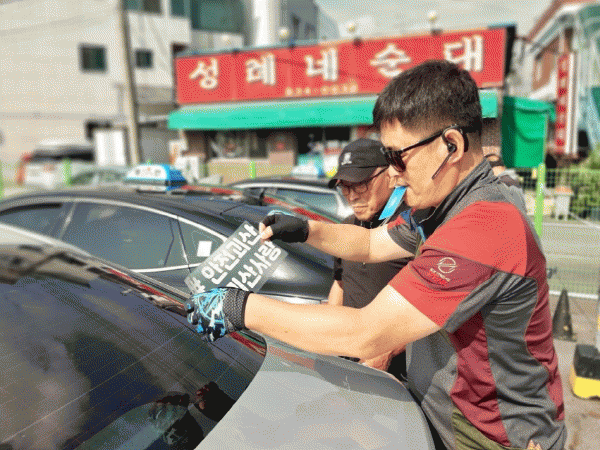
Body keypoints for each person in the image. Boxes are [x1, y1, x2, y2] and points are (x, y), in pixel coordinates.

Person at [184, 60, 567, 450]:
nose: (394, 174)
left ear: (451, 145)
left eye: (399, 157)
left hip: (494, 437)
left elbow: (365, 333)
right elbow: (370, 244)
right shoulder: (443, 208)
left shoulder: (484, 228)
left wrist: (239, 307)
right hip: (450, 417)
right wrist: (305, 229)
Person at [327, 138, 414, 376]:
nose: (352, 196)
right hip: (350, 364)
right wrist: (329, 344)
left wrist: (387, 351)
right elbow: (340, 285)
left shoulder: (412, 227)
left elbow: (436, 306)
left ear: (389, 175)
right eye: (344, 187)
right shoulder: (346, 227)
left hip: (401, 372)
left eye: (360, 185)